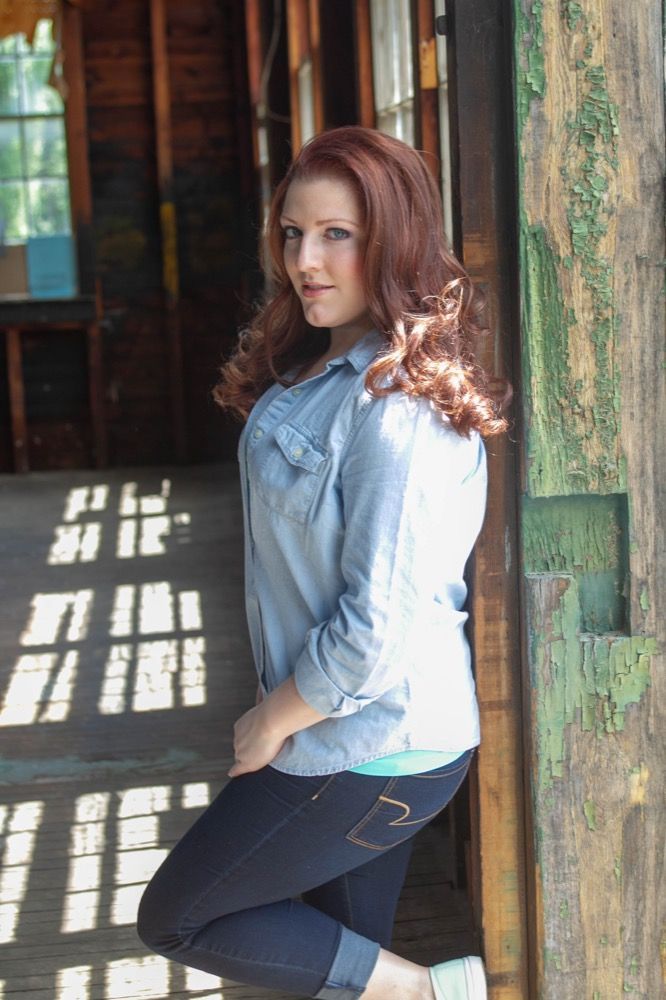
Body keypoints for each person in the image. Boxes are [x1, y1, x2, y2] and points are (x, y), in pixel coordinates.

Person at [138, 126, 510, 1000]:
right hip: (345, 734)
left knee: (179, 916)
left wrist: (273, 719)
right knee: (345, 962)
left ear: (392, 238)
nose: (306, 258)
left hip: (372, 743)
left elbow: (376, 628)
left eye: (336, 234)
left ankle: (438, 993)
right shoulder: (327, 367)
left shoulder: (398, 414)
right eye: (294, 233)